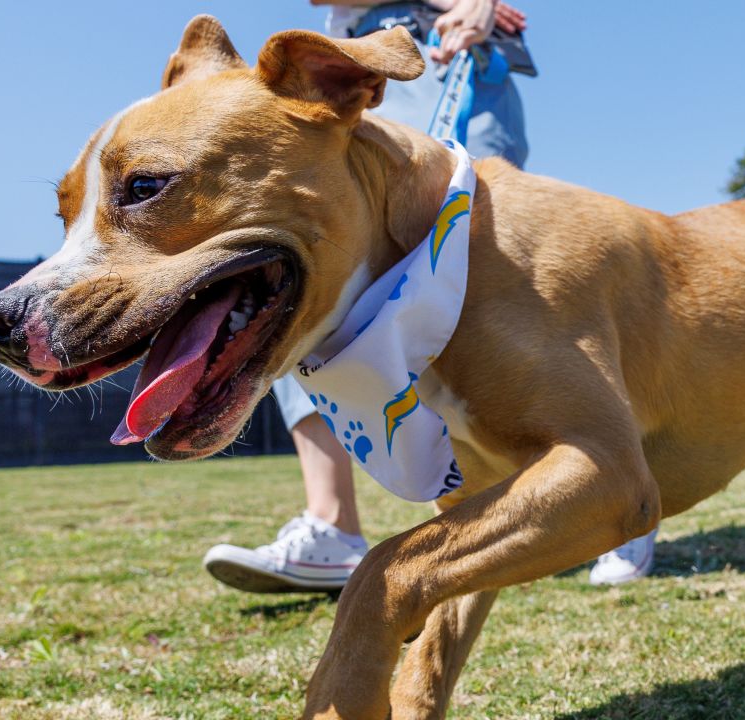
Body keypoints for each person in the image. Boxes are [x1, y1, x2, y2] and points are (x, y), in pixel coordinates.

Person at [203, 0, 656, 594]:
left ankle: (602, 484)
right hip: (349, 62)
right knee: (302, 274)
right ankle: (333, 524)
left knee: (487, 270)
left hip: (439, 53)